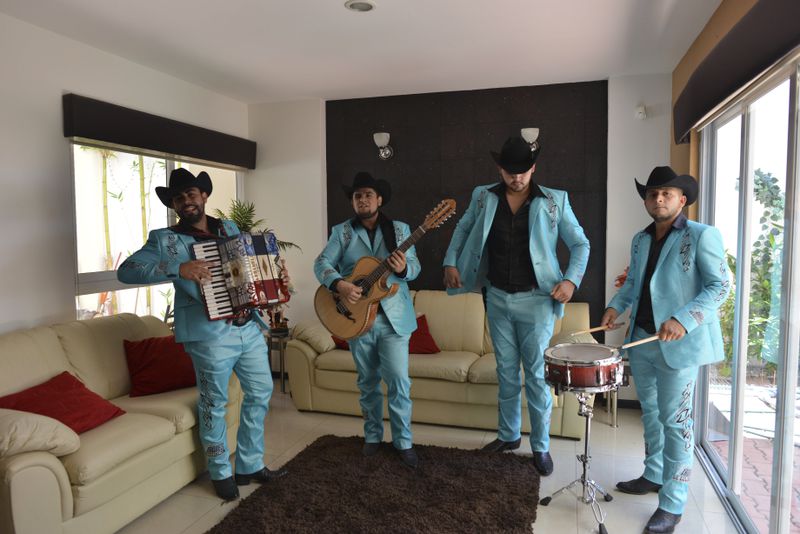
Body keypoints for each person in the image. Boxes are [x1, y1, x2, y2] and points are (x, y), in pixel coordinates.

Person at [117, 168, 287, 501]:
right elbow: (126, 271)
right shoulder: (164, 239)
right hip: (208, 334)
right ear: (174, 204)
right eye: (179, 198)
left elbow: (247, 268)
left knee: (261, 391)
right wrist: (177, 268)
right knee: (214, 402)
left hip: (246, 326)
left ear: (204, 196)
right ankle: (220, 470)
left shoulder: (230, 228)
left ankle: (250, 463)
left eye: (191, 194)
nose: (186, 201)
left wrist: (272, 275)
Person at [442, 136, 590, 476]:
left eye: (523, 171)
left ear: (533, 168)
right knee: (506, 373)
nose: (517, 178)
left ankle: (540, 446)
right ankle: (508, 436)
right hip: (496, 296)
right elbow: (462, 229)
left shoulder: (555, 200)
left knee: (536, 377)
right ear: (500, 169)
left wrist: (570, 281)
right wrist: (450, 261)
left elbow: (580, 244)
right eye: (510, 172)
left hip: (538, 300)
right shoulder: (483, 196)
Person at [601, 166, 730, 533]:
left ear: (682, 199)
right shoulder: (640, 240)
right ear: (646, 199)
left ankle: (672, 504)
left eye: (666, 194)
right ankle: (654, 474)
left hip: (679, 345)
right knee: (652, 413)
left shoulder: (703, 236)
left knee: (678, 424)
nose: (658, 199)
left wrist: (684, 319)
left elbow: (721, 287)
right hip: (641, 340)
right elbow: (634, 287)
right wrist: (614, 307)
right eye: (653, 194)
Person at [314, 171, 421, 468]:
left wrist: (402, 270)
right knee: (368, 381)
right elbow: (321, 262)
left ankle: (403, 442)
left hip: (394, 320)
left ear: (379, 199)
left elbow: (415, 267)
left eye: (368, 195)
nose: (362, 200)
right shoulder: (342, 232)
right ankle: (372, 437)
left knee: (399, 381)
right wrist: (340, 285)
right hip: (357, 318)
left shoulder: (400, 230)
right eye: (357, 196)